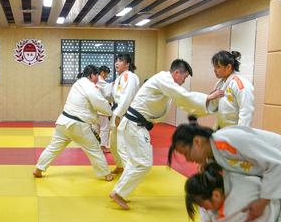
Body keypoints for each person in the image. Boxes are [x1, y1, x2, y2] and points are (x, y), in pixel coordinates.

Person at [109, 60, 223, 209]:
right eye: (185, 76)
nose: (184, 80)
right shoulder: (164, 79)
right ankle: (118, 193)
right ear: (176, 73)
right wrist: (207, 98)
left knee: (135, 163)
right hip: (134, 125)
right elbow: (183, 96)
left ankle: (118, 192)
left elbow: (182, 101)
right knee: (143, 163)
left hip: (134, 125)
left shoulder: (167, 85)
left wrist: (206, 103)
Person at [33, 65, 114, 181]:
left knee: (53, 147)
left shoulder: (78, 84)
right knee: (94, 149)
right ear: (92, 75)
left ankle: (38, 169)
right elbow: (98, 102)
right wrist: (109, 110)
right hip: (78, 124)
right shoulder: (89, 85)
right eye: (97, 76)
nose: (98, 78)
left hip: (63, 122)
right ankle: (107, 174)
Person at [110, 54, 141, 174]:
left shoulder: (131, 77)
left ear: (127, 64)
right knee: (113, 144)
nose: (117, 63)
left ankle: (130, 172)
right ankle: (120, 165)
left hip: (125, 114)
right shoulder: (119, 78)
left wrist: (118, 114)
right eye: (116, 61)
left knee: (122, 145)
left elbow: (127, 97)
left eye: (120, 61)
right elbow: (114, 96)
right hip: (117, 112)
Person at [207, 51, 254, 128]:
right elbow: (212, 107)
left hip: (235, 130)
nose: (214, 70)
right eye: (214, 67)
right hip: (221, 128)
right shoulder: (219, 84)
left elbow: (246, 111)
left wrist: (241, 132)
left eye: (218, 67)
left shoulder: (240, 83)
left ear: (229, 67)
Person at [95, 65, 113, 153]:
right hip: (102, 110)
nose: (107, 76)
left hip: (95, 110)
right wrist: (114, 84)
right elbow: (108, 91)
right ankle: (102, 147)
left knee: (96, 128)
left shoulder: (95, 80)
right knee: (105, 128)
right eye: (106, 74)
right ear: (102, 72)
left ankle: (95, 146)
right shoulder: (100, 81)